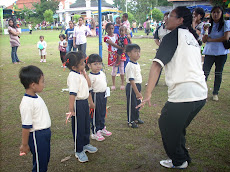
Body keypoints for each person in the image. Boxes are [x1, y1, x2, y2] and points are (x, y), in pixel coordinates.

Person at [137, 6, 207, 169]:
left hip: (184, 93)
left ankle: (179, 160)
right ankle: (183, 157)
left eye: (171, 16)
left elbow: (156, 65)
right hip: (200, 94)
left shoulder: (172, 37)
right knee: (177, 126)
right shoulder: (192, 37)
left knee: (167, 124)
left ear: (181, 20)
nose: (166, 19)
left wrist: (147, 94)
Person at [66, 51, 98, 163]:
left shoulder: (80, 74)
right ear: (74, 66)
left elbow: (89, 85)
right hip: (77, 104)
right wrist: (71, 109)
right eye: (82, 63)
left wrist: (84, 72)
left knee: (85, 125)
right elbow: (72, 94)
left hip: (84, 102)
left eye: (84, 62)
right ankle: (78, 150)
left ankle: (85, 144)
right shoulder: (73, 76)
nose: (84, 64)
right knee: (78, 127)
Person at [19, 65, 51, 172]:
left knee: (44, 159)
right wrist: (24, 144)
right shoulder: (27, 103)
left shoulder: (36, 96)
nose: (44, 84)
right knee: (39, 163)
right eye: (42, 81)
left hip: (45, 133)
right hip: (37, 136)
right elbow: (26, 126)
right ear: (33, 85)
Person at [202, 6, 230, 101]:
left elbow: (225, 37)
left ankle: (215, 93)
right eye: (213, 12)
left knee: (218, 73)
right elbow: (204, 40)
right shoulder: (207, 24)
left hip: (221, 52)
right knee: (204, 73)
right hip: (209, 52)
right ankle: (202, 92)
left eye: (218, 12)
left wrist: (212, 40)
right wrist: (205, 30)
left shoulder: (226, 23)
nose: (215, 14)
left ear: (221, 13)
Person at [85, 54, 112, 141]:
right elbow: (88, 90)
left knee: (102, 112)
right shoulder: (90, 77)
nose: (98, 66)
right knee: (95, 114)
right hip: (95, 96)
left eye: (100, 63)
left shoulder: (102, 73)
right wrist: (91, 102)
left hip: (103, 95)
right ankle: (95, 131)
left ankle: (102, 127)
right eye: (95, 64)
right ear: (89, 65)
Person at [125, 44, 144, 128]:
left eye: (139, 51)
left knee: (137, 103)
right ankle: (130, 120)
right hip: (132, 87)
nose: (138, 54)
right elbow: (131, 80)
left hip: (137, 86)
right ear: (129, 54)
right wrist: (137, 92)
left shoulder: (137, 64)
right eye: (135, 52)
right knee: (132, 104)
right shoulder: (130, 65)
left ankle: (136, 117)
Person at [104, 23, 124, 91]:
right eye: (109, 28)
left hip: (120, 54)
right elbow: (113, 44)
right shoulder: (106, 38)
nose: (111, 30)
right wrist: (121, 48)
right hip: (113, 55)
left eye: (112, 28)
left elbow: (122, 40)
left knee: (121, 68)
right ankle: (113, 84)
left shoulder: (117, 35)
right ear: (106, 30)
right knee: (114, 69)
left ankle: (122, 84)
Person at [153, 12, 170, 85]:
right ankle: (154, 82)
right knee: (158, 65)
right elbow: (156, 39)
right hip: (162, 50)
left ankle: (170, 82)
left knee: (171, 67)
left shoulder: (175, 29)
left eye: (168, 17)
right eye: (165, 17)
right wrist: (160, 45)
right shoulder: (159, 28)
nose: (166, 19)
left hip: (172, 50)